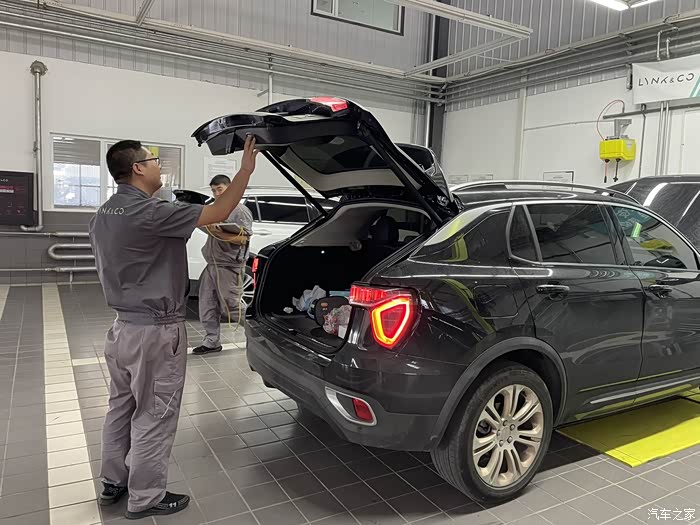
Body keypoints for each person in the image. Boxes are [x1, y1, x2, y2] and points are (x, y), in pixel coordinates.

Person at [89, 136, 258, 520]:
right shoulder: (153, 211)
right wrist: (245, 170)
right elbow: (221, 210)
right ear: (137, 168)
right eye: (152, 160)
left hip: (121, 329)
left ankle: (113, 481)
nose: (158, 166)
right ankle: (146, 496)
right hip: (156, 331)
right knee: (155, 412)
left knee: (121, 406)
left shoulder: (103, 213)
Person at [193, 174, 253, 355]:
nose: (217, 193)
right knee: (207, 304)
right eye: (214, 190)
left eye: (220, 189)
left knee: (232, 306)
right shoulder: (214, 209)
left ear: (230, 188)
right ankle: (211, 342)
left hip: (229, 265)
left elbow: (243, 239)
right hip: (212, 263)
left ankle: (258, 335)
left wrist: (218, 231)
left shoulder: (240, 211)